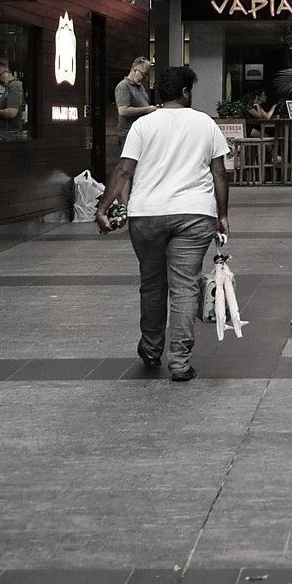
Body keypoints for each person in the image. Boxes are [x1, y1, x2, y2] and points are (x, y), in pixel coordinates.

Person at [95, 65, 231, 383]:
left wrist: (103, 208)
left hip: (147, 215)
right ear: (184, 92)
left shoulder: (143, 125)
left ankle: (151, 349)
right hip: (195, 215)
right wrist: (222, 215)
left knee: (152, 284)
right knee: (185, 287)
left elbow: (124, 170)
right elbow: (220, 174)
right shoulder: (205, 123)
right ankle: (180, 361)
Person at [114, 57, 156, 144]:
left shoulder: (141, 86)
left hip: (141, 133)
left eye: (147, 75)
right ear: (135, 70)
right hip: (128, 134)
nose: (145, 78)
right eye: (143, 74)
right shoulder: (123, 86)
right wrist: (147, 109)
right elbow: (123, 111)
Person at [0, 58, 27, 140]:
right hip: (4, 134)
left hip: (8, 136)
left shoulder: (15, 86)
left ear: (6, 72)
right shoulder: (8, 88)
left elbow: (12, 112)